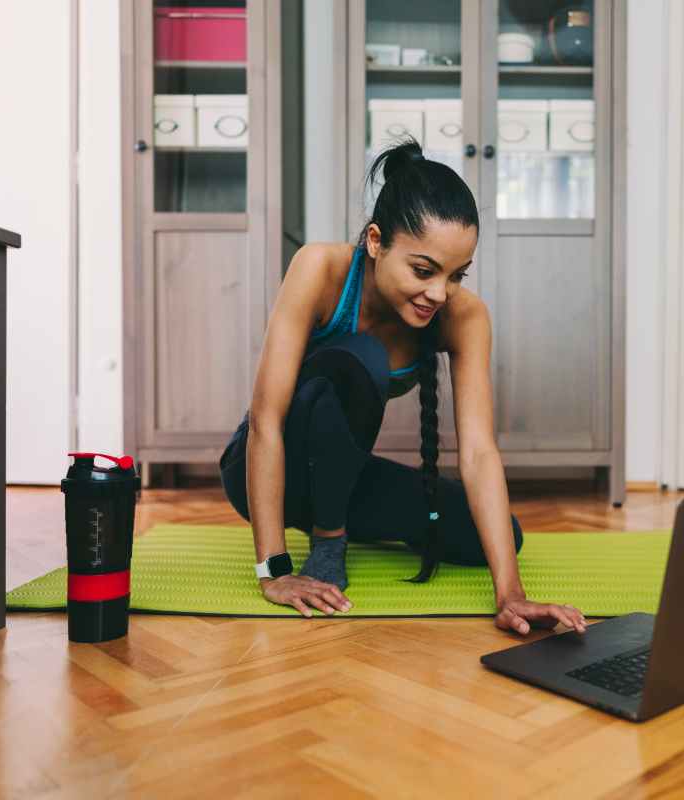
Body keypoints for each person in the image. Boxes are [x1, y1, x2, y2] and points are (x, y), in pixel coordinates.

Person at [219, 136, 588, 638]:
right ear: (375, 241)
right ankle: (328, 540)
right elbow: (266, 420)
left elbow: (479, 451)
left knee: (496, 539)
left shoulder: (466, 316)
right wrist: (274, 573)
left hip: (339, 478)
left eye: (456, 275)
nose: (439, 292)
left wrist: (511, 595)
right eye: (423, 270)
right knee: (361, 356)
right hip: (260, 466)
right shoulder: (320, 269)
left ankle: (342, 521)